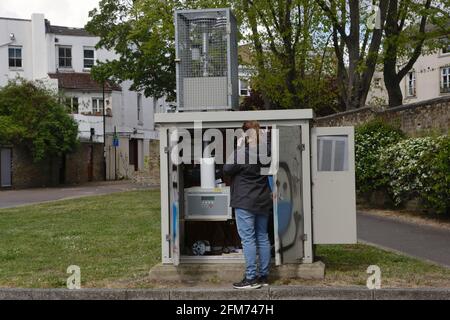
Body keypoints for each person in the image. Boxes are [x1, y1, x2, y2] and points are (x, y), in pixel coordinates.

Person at [223, 121, 272, 289]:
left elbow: (227, 169)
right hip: (263, 199)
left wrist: (239, 147)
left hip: (245, 200)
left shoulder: (242, 153)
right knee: (263, 237)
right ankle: (263, 276)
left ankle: (251, 278)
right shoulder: (267, 152)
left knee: (248, 239)